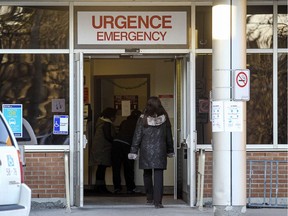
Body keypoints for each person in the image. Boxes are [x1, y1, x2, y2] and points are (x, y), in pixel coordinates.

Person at [128, 96, 174, 208]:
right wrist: (170, 150)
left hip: (146, 149)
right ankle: (158, 202)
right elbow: (168, 136)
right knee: (159, 175)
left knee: (147, 173)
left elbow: (137, 135)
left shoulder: (143, 118)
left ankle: (150, 198)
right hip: (160, 149)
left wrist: (133, 150)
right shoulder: (165, 118)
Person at [112, 109, 142, 194]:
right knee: (128, 167)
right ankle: (130, 188)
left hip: (116, 143)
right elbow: (138, 136)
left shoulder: (124, 122)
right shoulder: (138, 123)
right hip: (127, 145)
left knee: (116, 168)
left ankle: (117, 188)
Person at [90, 107, 117, 194]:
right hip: (103, 149)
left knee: (100, 168)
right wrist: (115, 141)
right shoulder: (106, 124)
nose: (115, 118)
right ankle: (101, 188)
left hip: (99, 148)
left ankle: (99, 186)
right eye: (114, 116)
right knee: (102, 168)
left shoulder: (100, 122)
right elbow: (108, 136)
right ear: (111, 116)